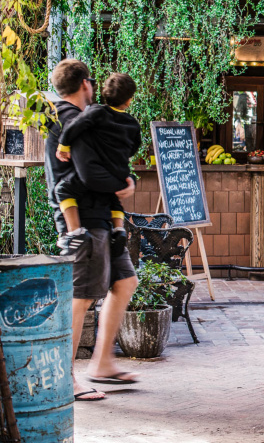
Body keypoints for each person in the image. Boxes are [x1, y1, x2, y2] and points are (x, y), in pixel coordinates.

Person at [44, 59, 139, 402]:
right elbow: (82, 176)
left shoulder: (84, 120)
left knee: (125, 281)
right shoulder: (70, 120)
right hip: (82, 220)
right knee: (81, 296)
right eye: (92, 84)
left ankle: (101, 363)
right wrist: (123, 183)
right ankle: (64, 378)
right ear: (85, 83)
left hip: (101, 217)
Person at [54, 73, 141, 258]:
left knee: (63, 189)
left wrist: (64, 145)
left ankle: (74, 232)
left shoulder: (97, 111)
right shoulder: (133, 123)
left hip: (97, 174)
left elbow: (75, 125)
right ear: (129, 100)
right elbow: (134, 147)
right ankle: (119, 230)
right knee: (113, 198)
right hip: (119, 175)